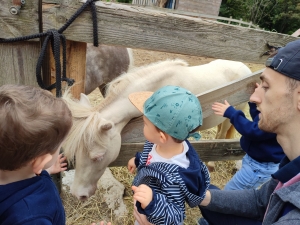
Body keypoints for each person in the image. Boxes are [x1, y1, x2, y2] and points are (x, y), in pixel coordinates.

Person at [198, 39, 300, 225]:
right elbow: (260, 201)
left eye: (266, 87)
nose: (253, 97)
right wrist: (201, 196)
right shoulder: (291, 170)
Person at [0, 84, 108, 225]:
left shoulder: (13, 170)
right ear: (39, 161)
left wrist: (45, 170)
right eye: (59, 147)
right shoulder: (32, 216)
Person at [127, 85, 210, 225]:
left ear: (162, 137)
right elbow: (152, 160)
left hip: (152, 219)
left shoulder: (174, 178)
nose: (143, 127)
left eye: (145, 124)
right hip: (143, 207)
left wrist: (153, 202)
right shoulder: (159, 144)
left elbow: (175, 216)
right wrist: (138, 160)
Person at [211, 98, 284, 190]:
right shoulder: (281, 107)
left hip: (259, 168)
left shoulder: (281, 115)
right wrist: (254, 103)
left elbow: (254, 131)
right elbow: (259, 120)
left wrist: (232, 113)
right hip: (255, 163)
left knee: (230, 192)